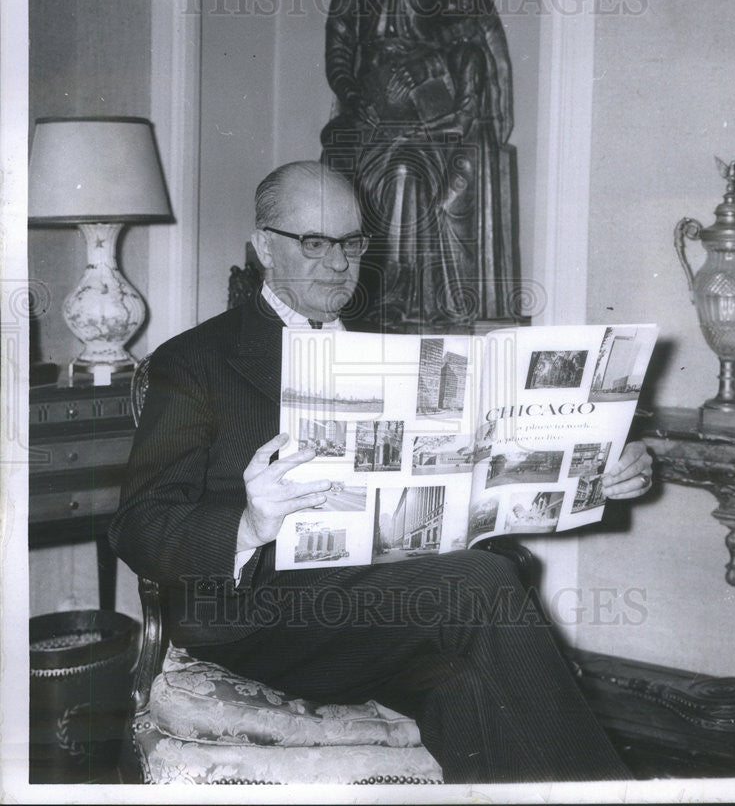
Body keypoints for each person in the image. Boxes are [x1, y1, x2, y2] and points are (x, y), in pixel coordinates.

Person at [109, 160, 653, 784]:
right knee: (480, 583)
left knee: (469, 679)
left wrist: (597, 470)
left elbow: (483, 477)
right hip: (258, 616)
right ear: (263, 247)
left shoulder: (395, 355)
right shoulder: (196, 361)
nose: (338, 262)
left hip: (388, 603)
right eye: (313, 242)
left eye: (350, 242)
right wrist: (247, 523)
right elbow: (137, 525)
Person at [320, 0, 518, 329]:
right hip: (369, 118)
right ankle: (354, 297)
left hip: (432, 118)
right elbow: (339, 53)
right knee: (342, 169)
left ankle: (403, 294)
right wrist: (354, 95)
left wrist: (428, 61)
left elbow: (481, 43)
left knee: (407, 171)